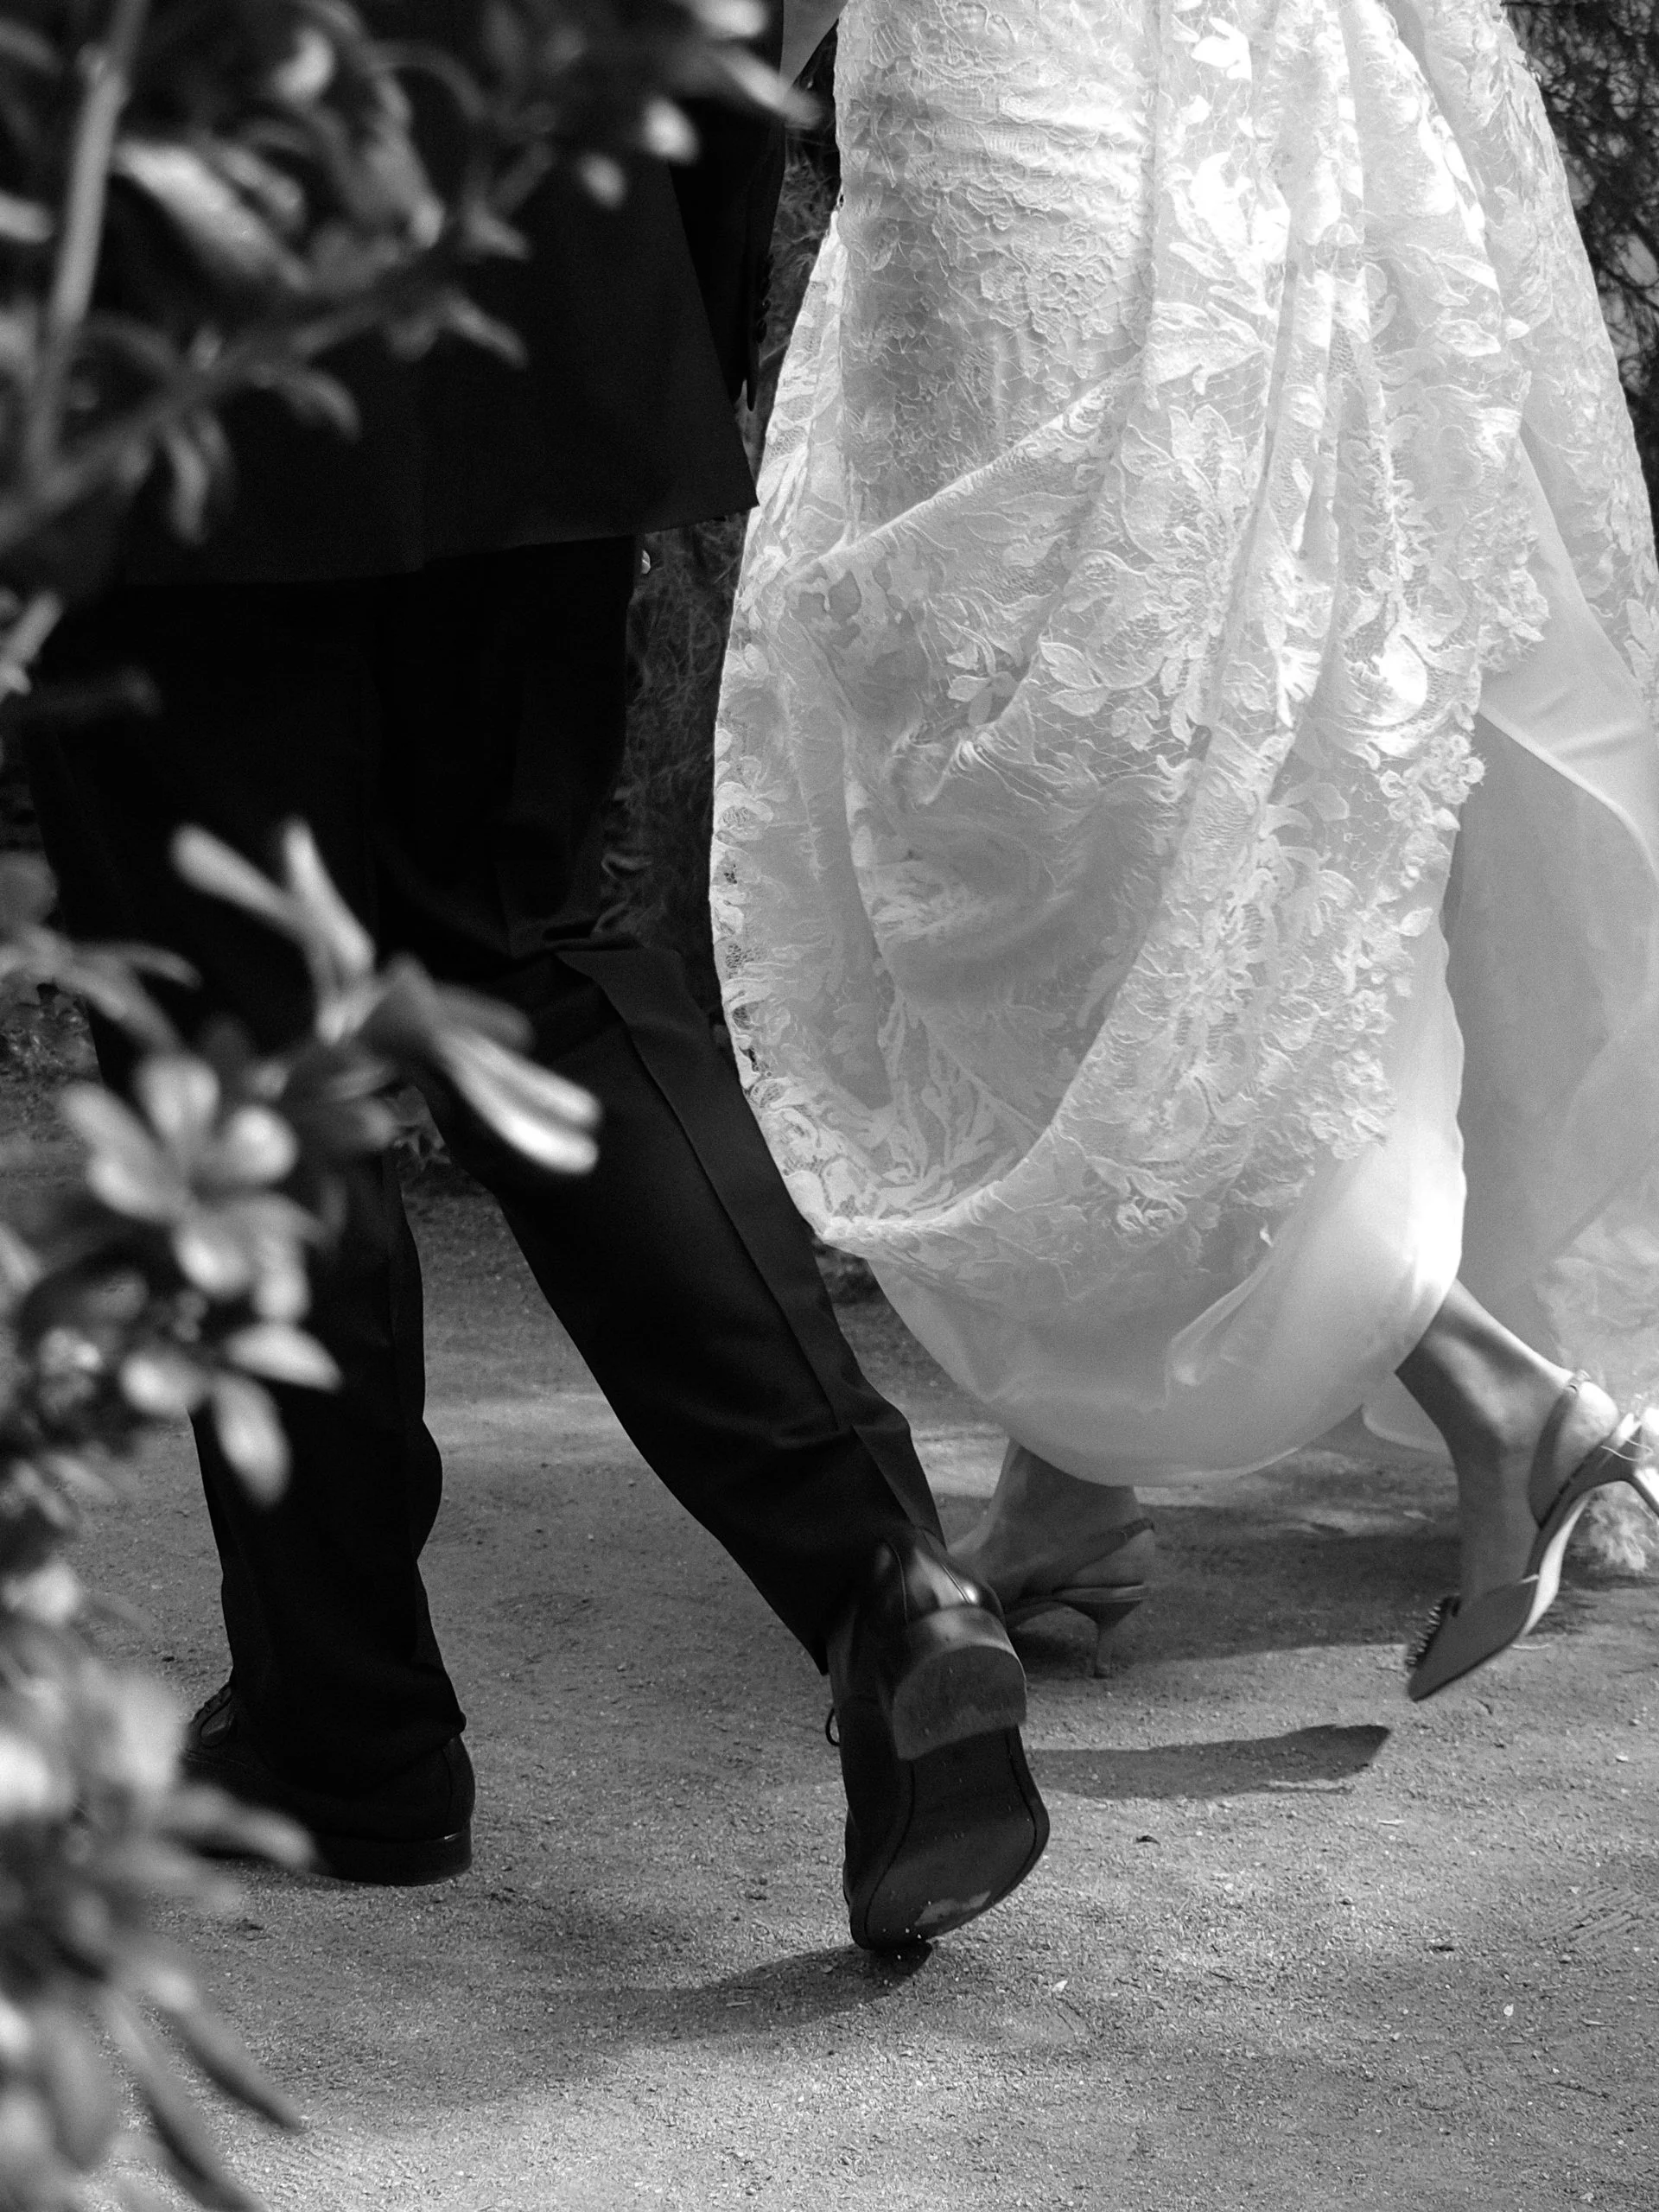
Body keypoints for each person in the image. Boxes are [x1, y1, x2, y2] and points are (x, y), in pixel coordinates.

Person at [20, 3, 1049, 1953]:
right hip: (544, 269)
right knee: (528, 950)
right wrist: (655, 314)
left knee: (245, 1027)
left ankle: (347, 1732)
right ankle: (888, 1583)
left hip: (169, 293)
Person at [713, 0, 1659, 1697]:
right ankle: (1069, 1479)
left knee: (1084, 772)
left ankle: (1502, 1397)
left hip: (1049, 95)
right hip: (1112, 88)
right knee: (1111, 776)